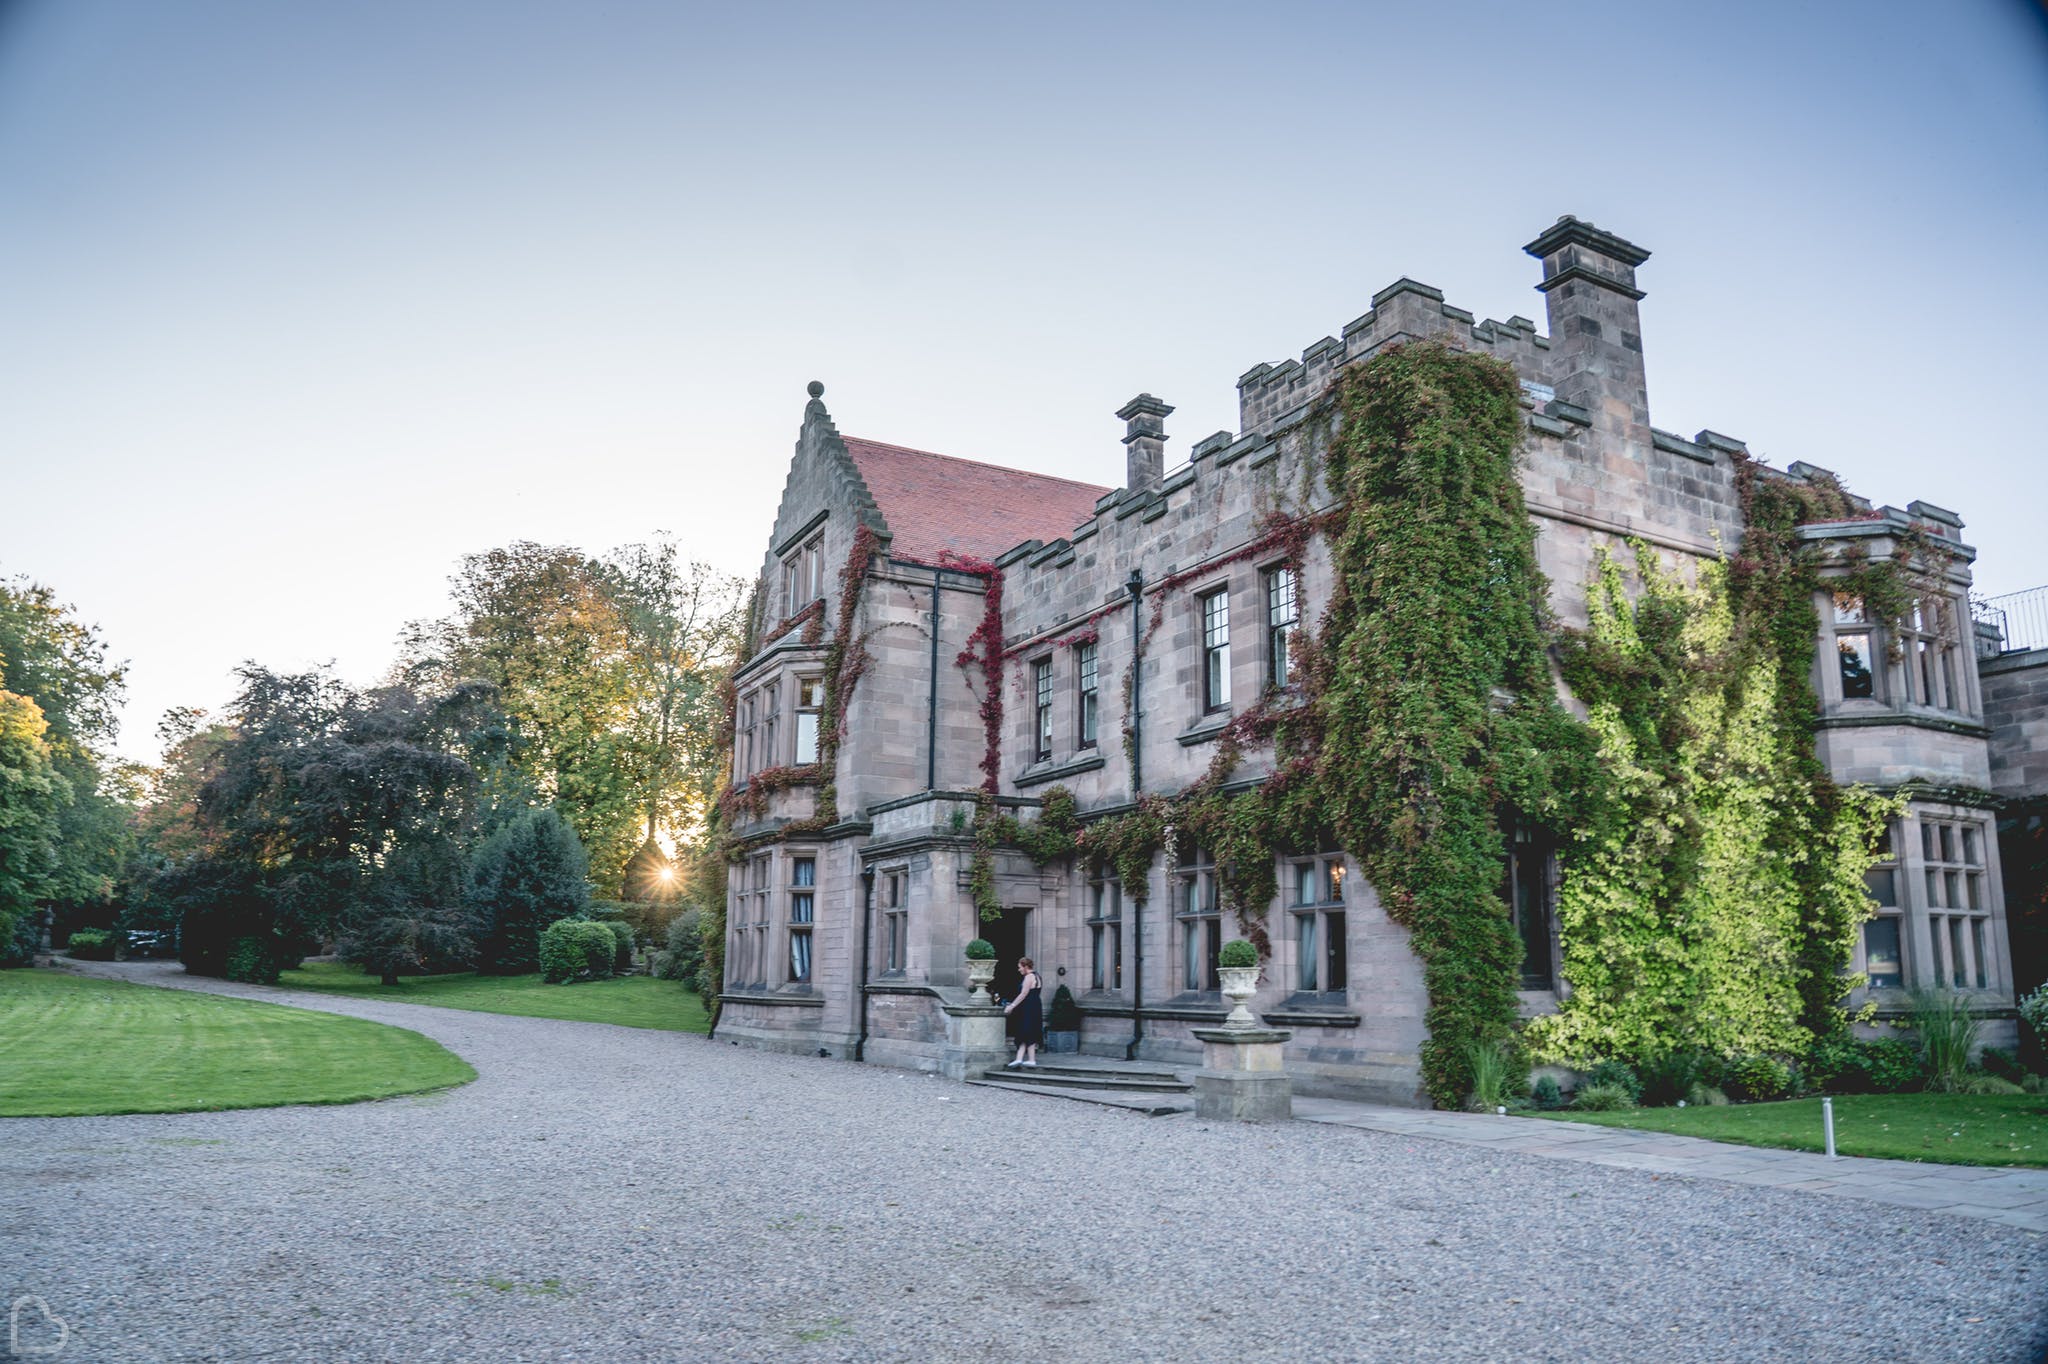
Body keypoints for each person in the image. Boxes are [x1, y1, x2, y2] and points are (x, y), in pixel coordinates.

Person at [1003, 957, 1043, 1068]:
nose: (1019, 970)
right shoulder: (1037, 976)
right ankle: (1021, 1059)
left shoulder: (1029, 977)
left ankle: (1029, 1059)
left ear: (1026, 967)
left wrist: (1012, 1006)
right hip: (1035, 1006)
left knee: (1026, 1030)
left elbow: (1023, 994)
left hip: (1028, 1007)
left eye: (1020, 967)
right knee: (1027, 1031)